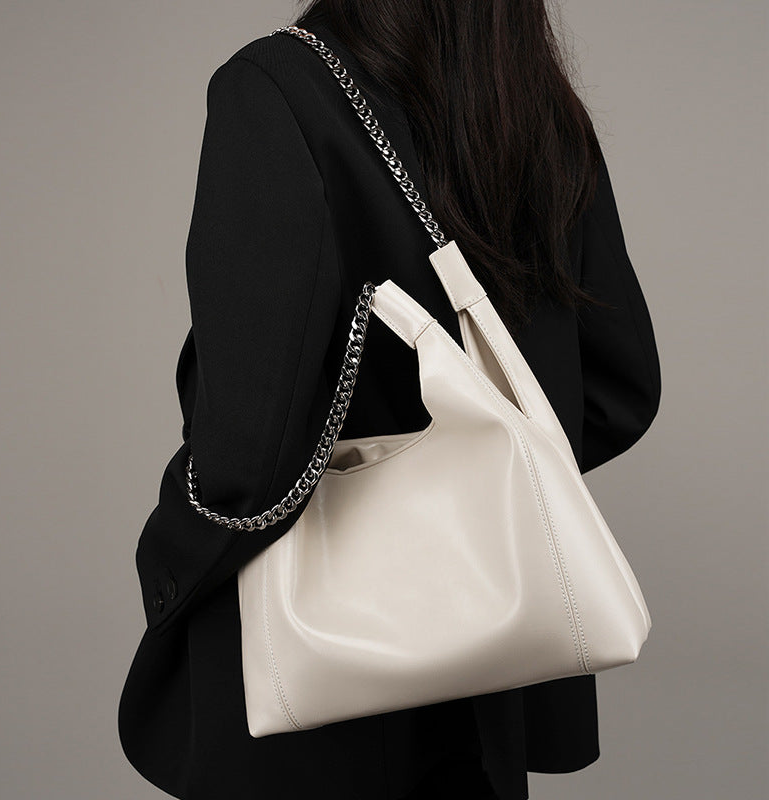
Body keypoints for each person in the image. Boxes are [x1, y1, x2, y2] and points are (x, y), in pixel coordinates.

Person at [118, 2, 662, 799]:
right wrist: (476, 501)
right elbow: (619, 390)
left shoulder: (278, 88)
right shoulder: (537, 106)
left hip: (318, 683)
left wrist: (169, 564)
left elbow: (250, 452)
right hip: (492, 662)